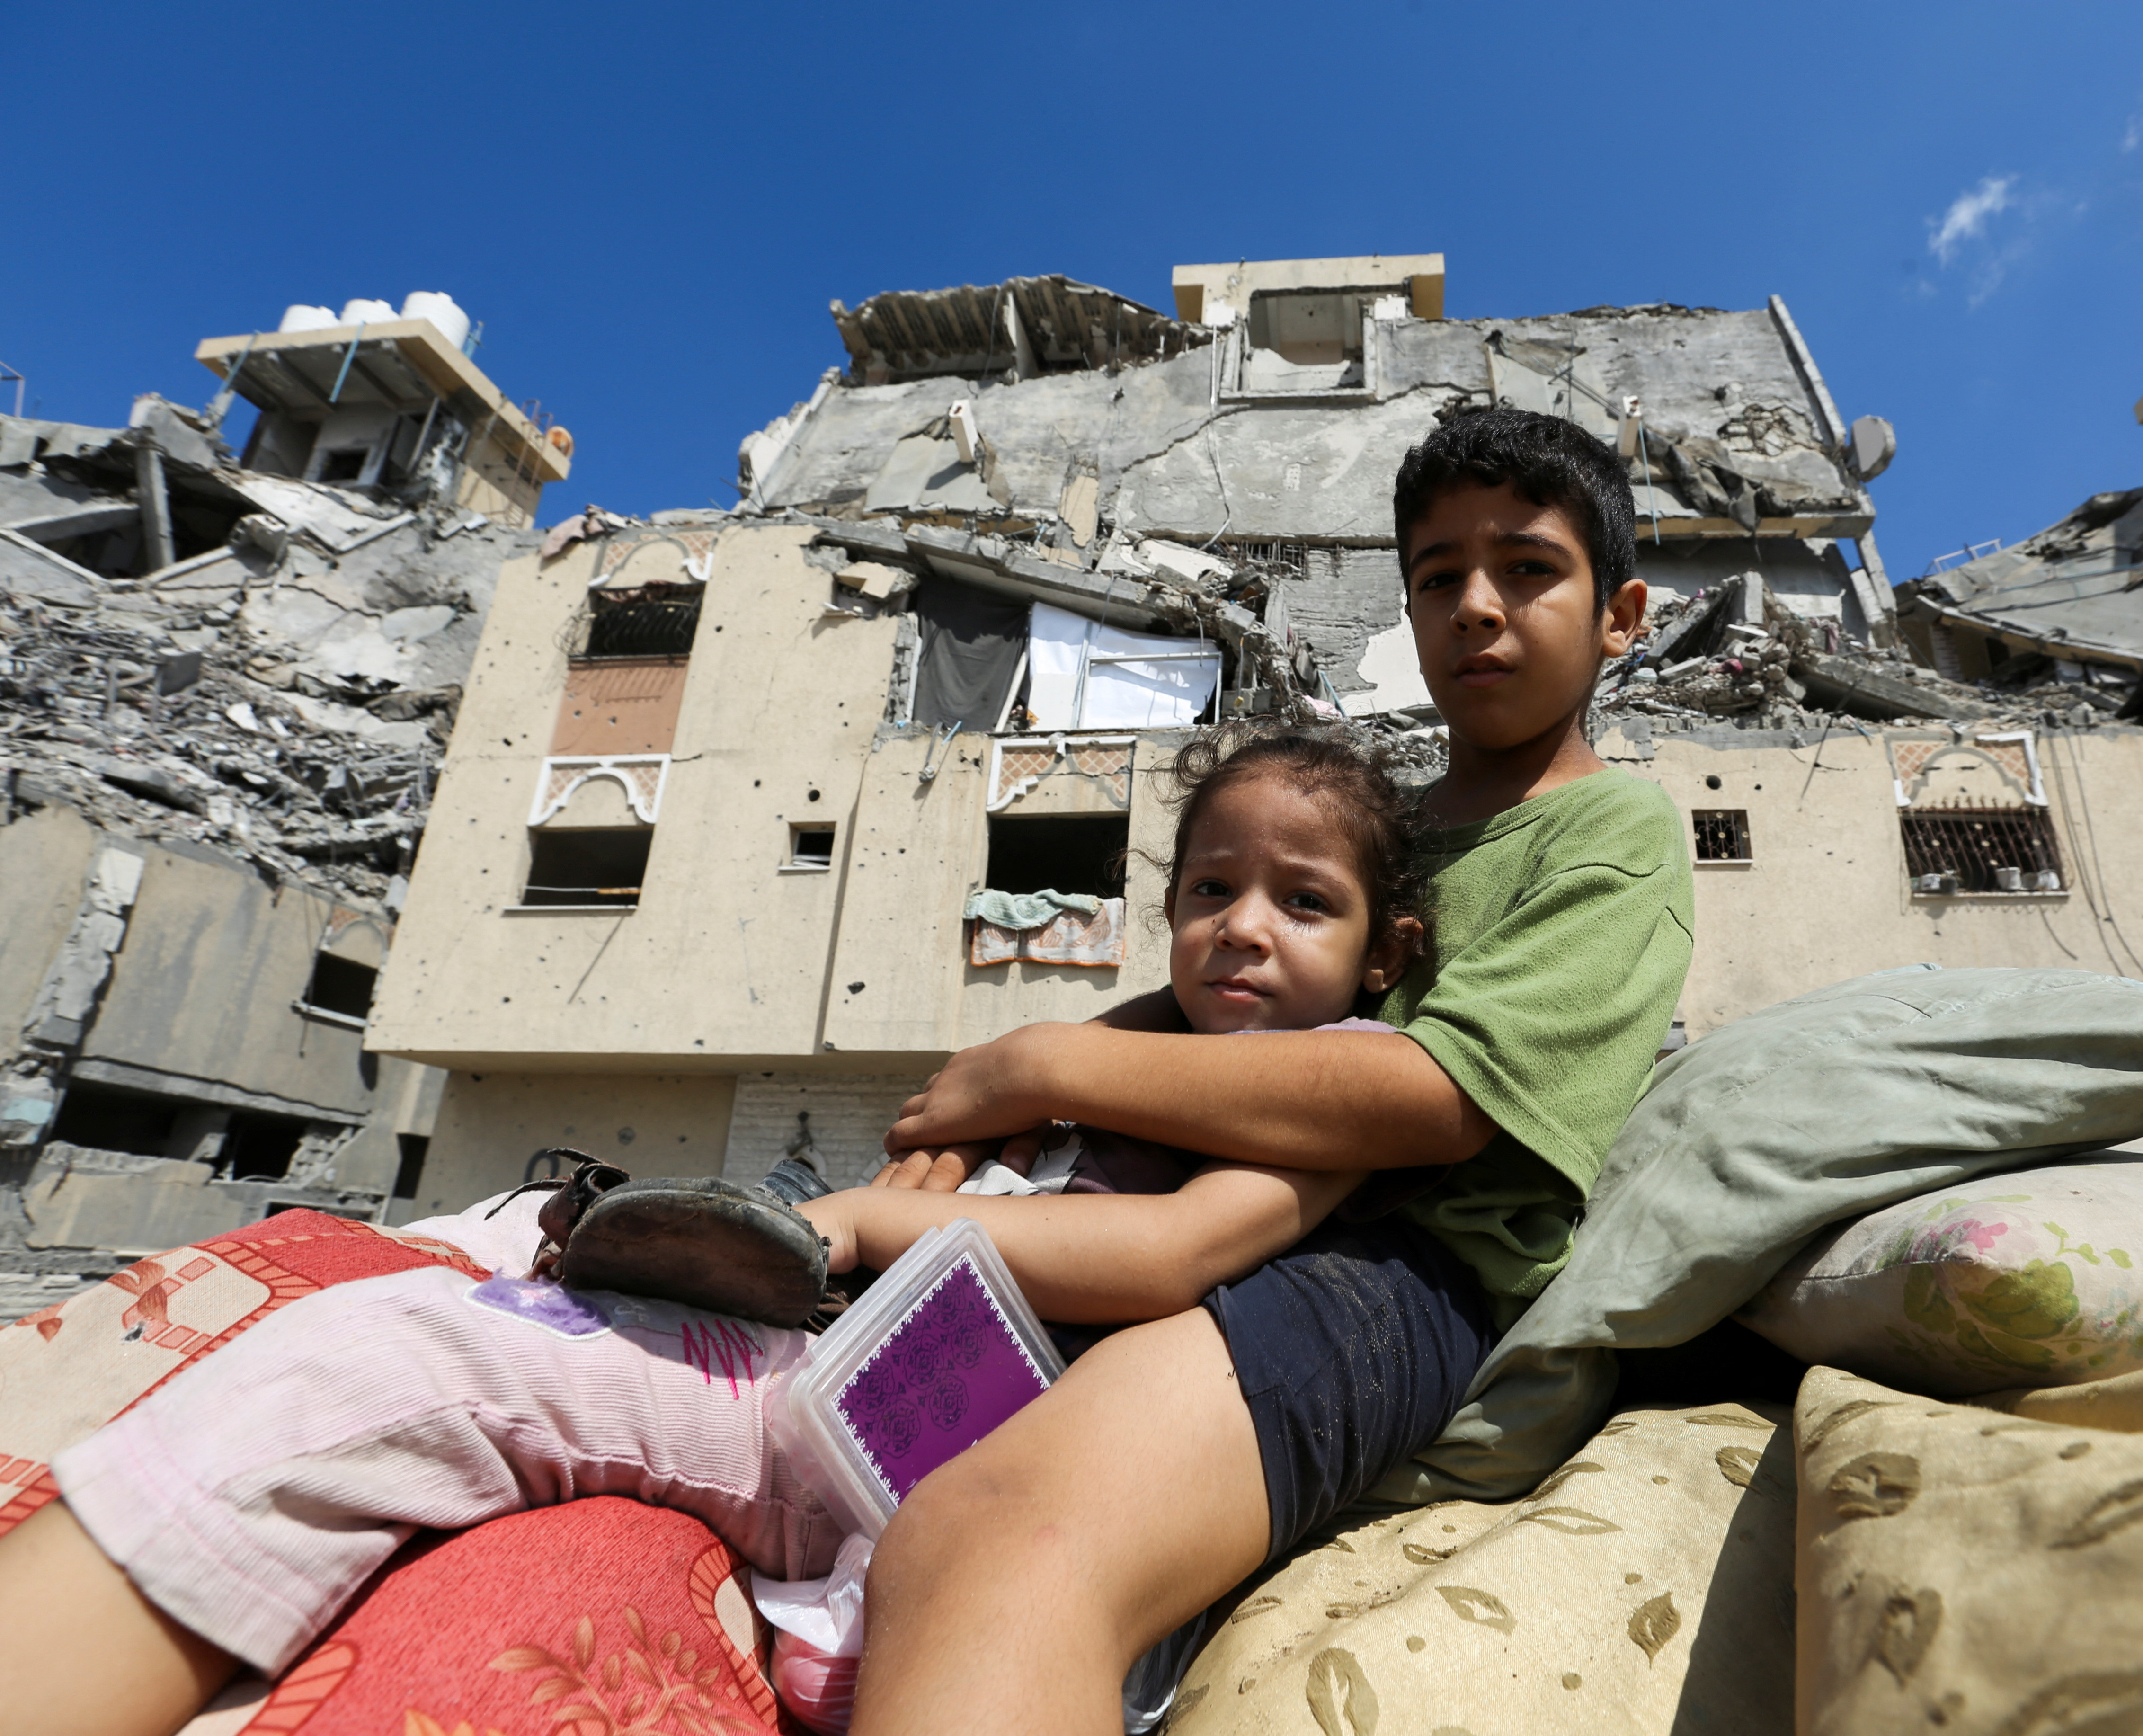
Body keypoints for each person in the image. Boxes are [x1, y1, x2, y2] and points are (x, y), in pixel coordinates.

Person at [0, 406, 1698, 1736]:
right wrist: (987, 1110)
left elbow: (1428, 1099)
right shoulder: (1383, 831)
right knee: (390, 1360)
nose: (1473, 604)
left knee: (998, 1540)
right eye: (1435, 571)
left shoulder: (1605, 833)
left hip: (1397, 1271)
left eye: (1527, 569)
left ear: (1619, 610)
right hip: (1046, 1270)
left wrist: (1016, 1078)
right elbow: (1171, 1040)